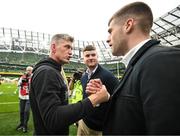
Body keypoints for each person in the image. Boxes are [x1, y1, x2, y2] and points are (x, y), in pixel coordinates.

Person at [86, 1, 180, 135]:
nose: (107, 39)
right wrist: (107, 97)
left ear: (128, 25)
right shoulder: (140, 61)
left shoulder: (161, 60)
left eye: (110, 31)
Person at [29, 34, 110, 135]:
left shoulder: (54, 70)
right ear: (53, 47)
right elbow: (53, 119)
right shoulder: (46, 72)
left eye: (72, 48)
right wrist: (95, 99)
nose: (71, 52)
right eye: (67, 47)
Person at [77, 45, 119, 135]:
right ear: (83, 58)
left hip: (99, 128)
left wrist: (107, 97)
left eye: (93, 55)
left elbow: (119, 99)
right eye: (87, 56)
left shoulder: (109, 77)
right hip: (83, 123)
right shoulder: (84, 77)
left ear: (97, 57)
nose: (91, 57)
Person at [16, 66, 33, 133]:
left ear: (32, 71)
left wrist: (29, 82)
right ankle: (21, 124)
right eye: (27, 70)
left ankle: (25, 125)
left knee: (26, 111)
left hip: (29, 97)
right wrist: (22, 82)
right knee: (21, 111)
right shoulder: (22, 77)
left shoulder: (33, 77)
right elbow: (18, 85)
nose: (28, 71)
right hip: (22, 96)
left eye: (29, 70)